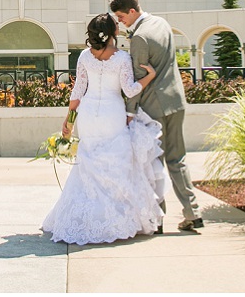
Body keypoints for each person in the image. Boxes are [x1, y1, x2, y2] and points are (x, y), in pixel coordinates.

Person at [41, 13, 165, 245]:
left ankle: (83, 218)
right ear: (113, 33)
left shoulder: (85, 56)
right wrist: (150, 76)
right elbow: (130, 90)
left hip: (88, 114)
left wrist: (68, 120)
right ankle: (113, 220)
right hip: (112, 114)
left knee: (88, 164)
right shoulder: (122, 58)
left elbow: (78, 89)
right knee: (114, 164)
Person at [111, 0, 203, 231]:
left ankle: (157, 219)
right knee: (178, 159)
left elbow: (138, 79)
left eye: (121, 16)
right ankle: (192, 211)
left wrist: (130, 112)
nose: (120, 21)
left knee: (154, 164)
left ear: (132, 11)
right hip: (176, 101)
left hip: (155, 106)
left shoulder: (140, 37)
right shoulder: (161, 23)